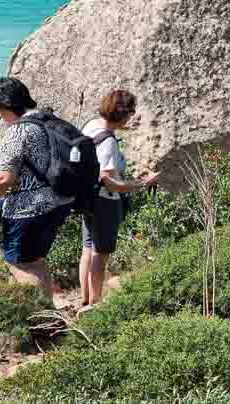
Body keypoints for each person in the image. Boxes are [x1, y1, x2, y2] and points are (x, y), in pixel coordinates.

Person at [0, 78, 70, 299]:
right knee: (36, 261)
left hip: (28, 210)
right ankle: (51, 317)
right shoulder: (46, 120)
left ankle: (41, 318)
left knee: (19, 264)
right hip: (56, 203)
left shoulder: (17, 132)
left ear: (8, 105)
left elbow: (4, 179)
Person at [79, 90, 159, 311]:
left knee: (87, 248)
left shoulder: (90, 126)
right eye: (130, 113)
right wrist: (142, 183)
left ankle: (85, 299)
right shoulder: (108, 141)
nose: (131, 118)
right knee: (100, 253)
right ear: (123, 115)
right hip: (105, 201)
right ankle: (94, 304)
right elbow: (109, 182)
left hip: (88, 198)